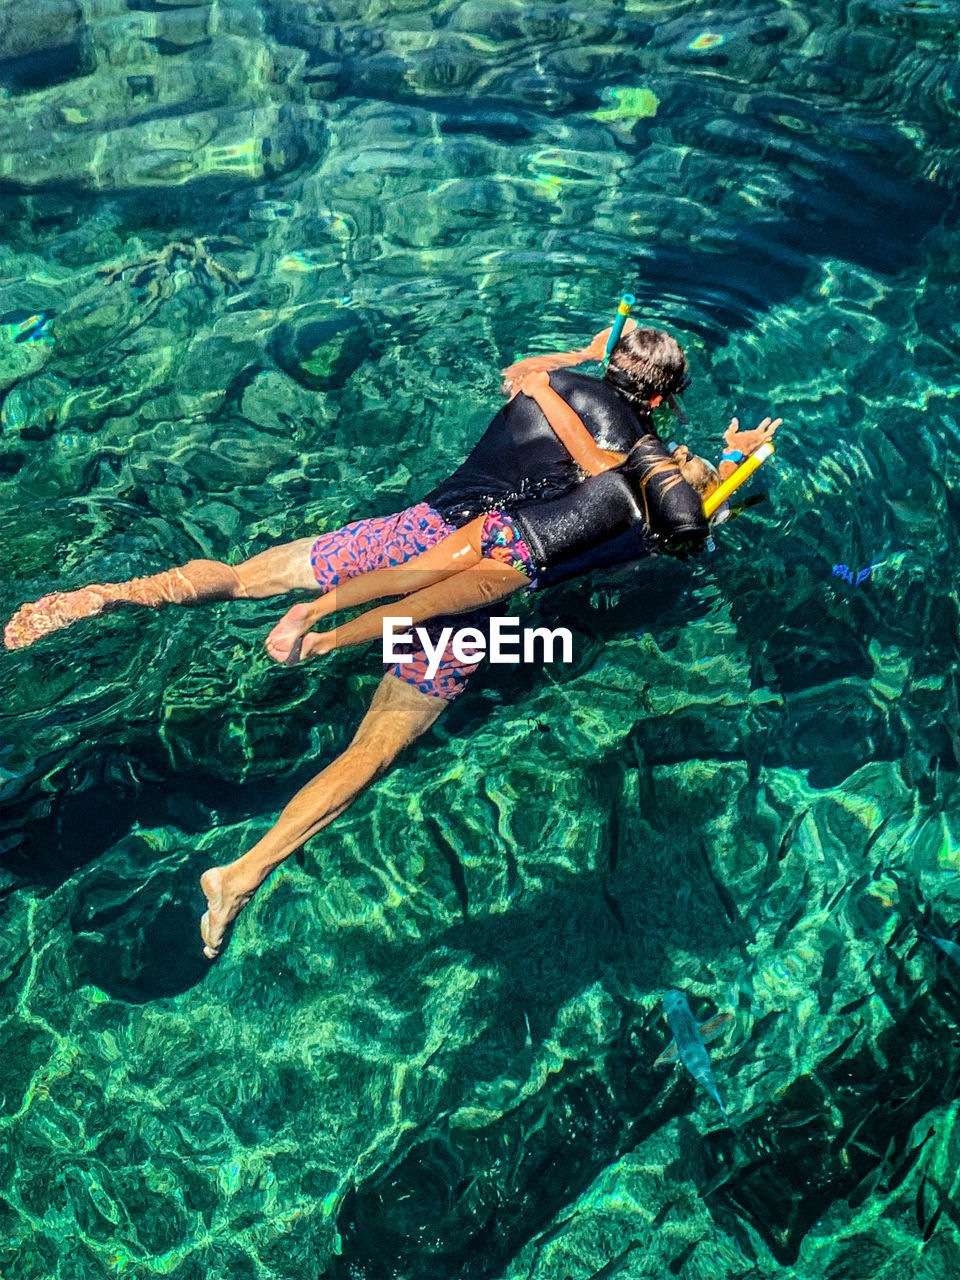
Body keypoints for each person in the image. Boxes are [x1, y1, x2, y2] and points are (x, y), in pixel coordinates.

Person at [3, 320, 775, 956]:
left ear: (611, 361)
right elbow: (662, 510)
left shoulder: (547, 386)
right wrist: (723, 468)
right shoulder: (641, 460)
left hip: (409, 532)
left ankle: (104, 596)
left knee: (243, 577)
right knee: (370, 751)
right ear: (666, 397)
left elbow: (518, 369)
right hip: (480, 587)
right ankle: (240, 874)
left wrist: (568, 362)